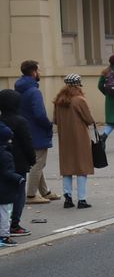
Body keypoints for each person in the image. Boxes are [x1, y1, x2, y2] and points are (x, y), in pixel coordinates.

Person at [14, 60, 60, 204]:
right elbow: (39, 114)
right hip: (37, 131)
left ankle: (44, 191)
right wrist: (49, 125)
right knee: (38, 163)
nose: (40, 73)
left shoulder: (19, 88)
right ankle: (31, 195)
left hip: (25, 130)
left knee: (36, 162)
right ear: (33, 72)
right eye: (38, 70)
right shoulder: (34, 91)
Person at [53, 74, 95, 209]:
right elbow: (89, 119)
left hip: (64, 137)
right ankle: (82, 199)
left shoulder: (59, 101)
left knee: (67, 168)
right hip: (80, 137)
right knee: (82, 167)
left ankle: (68, 198)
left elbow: (55, 120)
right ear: (78, 85)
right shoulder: (79, 100)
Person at [0, 89, 36, 237]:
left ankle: (5, 223)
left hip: (3, 162)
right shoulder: (20, 121)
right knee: (19, 194)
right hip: (19, 162)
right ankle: (14, 224)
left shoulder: (2, 120)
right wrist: (32, 159)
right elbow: (27, 142)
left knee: (4, 195)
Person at [0, 121, 25, 247]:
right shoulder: (6, 155)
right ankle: (4, 236)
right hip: (4, 190)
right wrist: (19, 178)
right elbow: (8, 172)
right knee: (5, 212)